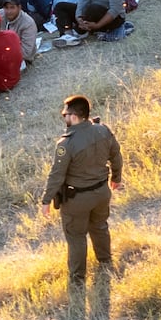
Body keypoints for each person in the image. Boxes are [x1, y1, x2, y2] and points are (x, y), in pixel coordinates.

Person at [41, 94, 123, 285]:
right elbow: (116, 156)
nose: (64, 118)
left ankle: (77, 280)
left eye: (65, 115)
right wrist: (116, 178)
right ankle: (105, 262)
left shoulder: (66, 144)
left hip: (77, 199)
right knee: (100, 227)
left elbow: (56, 175)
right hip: (102, 192)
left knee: (76, 237)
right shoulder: (103, 130)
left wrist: (46, 200)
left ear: (74, 116)